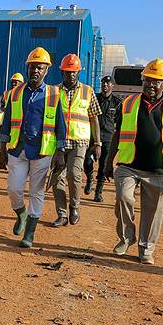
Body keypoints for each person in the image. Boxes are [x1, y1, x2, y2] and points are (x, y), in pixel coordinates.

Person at [103, 59, 163, 264]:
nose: (151, 85)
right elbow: (118, 133)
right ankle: (126, 238)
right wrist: (109, 162)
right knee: (123, 198)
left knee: (153, 212)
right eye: (147, 80)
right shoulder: (128, 103)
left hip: (159, 169)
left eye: (156, 81)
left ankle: (146, 249)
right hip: (129, 165)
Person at [0, 48, 67, 248]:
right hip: (18, 150)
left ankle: (29, 233)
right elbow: (6, 123)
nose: (35, 70)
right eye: (32, 67)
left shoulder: (55, 94)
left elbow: (60, 125)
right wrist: (2, 151)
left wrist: (60, 152)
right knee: (14, 189)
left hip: (42, 152)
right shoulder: (15, 93)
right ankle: (21, 213)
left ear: (46, 71)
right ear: (27, 68)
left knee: (36, 192)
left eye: (40, 67)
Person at [51, 54, 101, 227]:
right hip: (58, 142)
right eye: (67, 72)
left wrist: (97, 143)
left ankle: (74, 207)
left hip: (80, 141)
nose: (71, 75)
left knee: (74, 174)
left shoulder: (88, 91)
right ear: (62, 73)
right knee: (57, 178)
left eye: (74, 72)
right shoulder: (55, 91)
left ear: (78, 73)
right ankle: (62, 214)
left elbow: (94, 119)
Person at [83, 75, 121, 202]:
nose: (105, 85)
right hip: (93, 136)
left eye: (108, 83)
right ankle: (89, 178)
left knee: (103, 165)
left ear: (112, 86)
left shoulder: (116, 102)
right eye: (103, 82)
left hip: (108, 138)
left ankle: (98, 192)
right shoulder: (95, 99)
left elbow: (118, 120)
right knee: (87, 161)